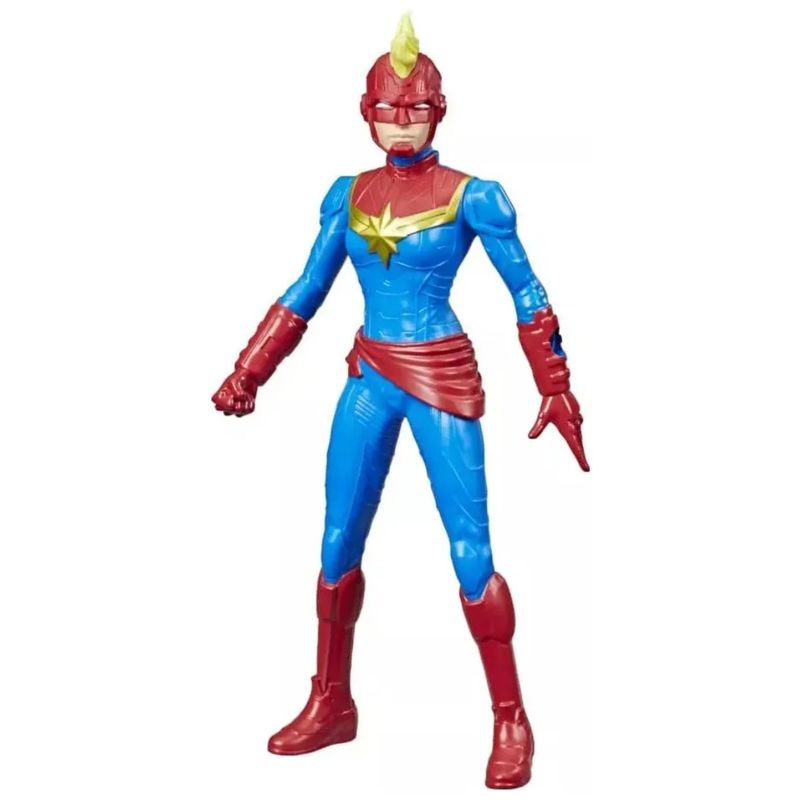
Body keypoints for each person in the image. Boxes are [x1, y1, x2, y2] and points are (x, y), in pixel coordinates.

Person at [212, 13, 588, 790]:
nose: (402, 120)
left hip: (440, 377)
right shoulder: (349, 195)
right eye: (388, 107)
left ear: (439, 111)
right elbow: (307, 288)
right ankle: (331, 701)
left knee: (471, 552)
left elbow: (527, 292)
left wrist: (554, 382)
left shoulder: (474, 196)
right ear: (366, 111)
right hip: (369, 378)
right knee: (336, 542)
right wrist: (251, 369)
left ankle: (510, 718)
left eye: (416, 107)